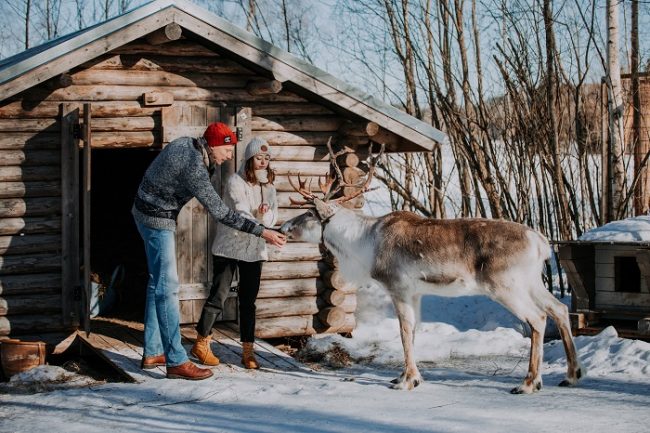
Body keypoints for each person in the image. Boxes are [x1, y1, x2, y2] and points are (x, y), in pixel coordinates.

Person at [132, 123, 286, 380]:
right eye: (226, 149)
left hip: (144, 210)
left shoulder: (186, 144)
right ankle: (177, 361)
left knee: (155, 283)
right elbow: (222, 213)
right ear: (213, 145)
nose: (229, 156)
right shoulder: (194, 165)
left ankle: (152, 351)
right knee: (167, 287)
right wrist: (262, 232)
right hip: (156, 219)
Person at [192, 137, 277, 369]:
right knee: (218, 296)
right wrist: (260, 225)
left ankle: (248, 351)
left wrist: (263, 215)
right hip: (229, 247)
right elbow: (239, 213)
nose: (263, 162)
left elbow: (273, 218)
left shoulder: (269, 187)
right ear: (250, 159)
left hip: (254, 249)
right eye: (259, 158)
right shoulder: (234, 181)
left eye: (267, 159)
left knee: (248, 301)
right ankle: (201, 342)